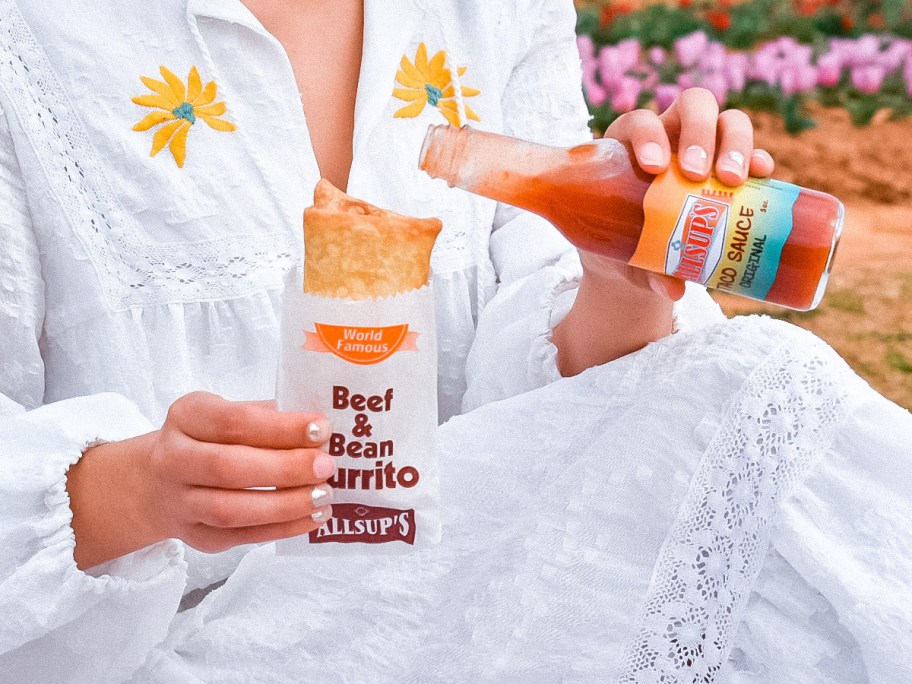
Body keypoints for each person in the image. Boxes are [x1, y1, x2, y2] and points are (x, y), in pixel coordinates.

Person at [0, 0, 909, 682]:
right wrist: (134, 487)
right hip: (173, 642)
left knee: (758, 377)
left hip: (464, 602)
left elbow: (546, 402)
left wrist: (623, 284)